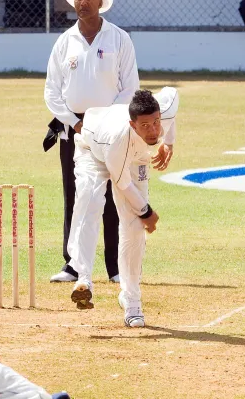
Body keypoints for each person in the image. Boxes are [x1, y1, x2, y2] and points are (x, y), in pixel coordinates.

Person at [44, 0, 140, 284]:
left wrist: (106, 122)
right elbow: (52, 92)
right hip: (74, 128)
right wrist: (75, 123)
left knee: (113, 194)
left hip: (110, 128)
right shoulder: (64, 41)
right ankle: (72, 265)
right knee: (74, 195)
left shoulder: (119, 39)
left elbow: (130, 88)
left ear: (101, 2)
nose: (83, 2)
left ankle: (115, 266)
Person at [67, 88, 179, 328]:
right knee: (90, 202)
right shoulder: (120, 139)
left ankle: (131, 301)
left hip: (135, 156)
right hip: (93, 149)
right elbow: (122, 183)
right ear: (133, 124)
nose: (154, 130)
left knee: (134, 227)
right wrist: (147, 211)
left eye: (157, 123)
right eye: (146, 125)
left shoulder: (164, 110)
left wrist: (168, 144)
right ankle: (83, 280)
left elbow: (172, 94)